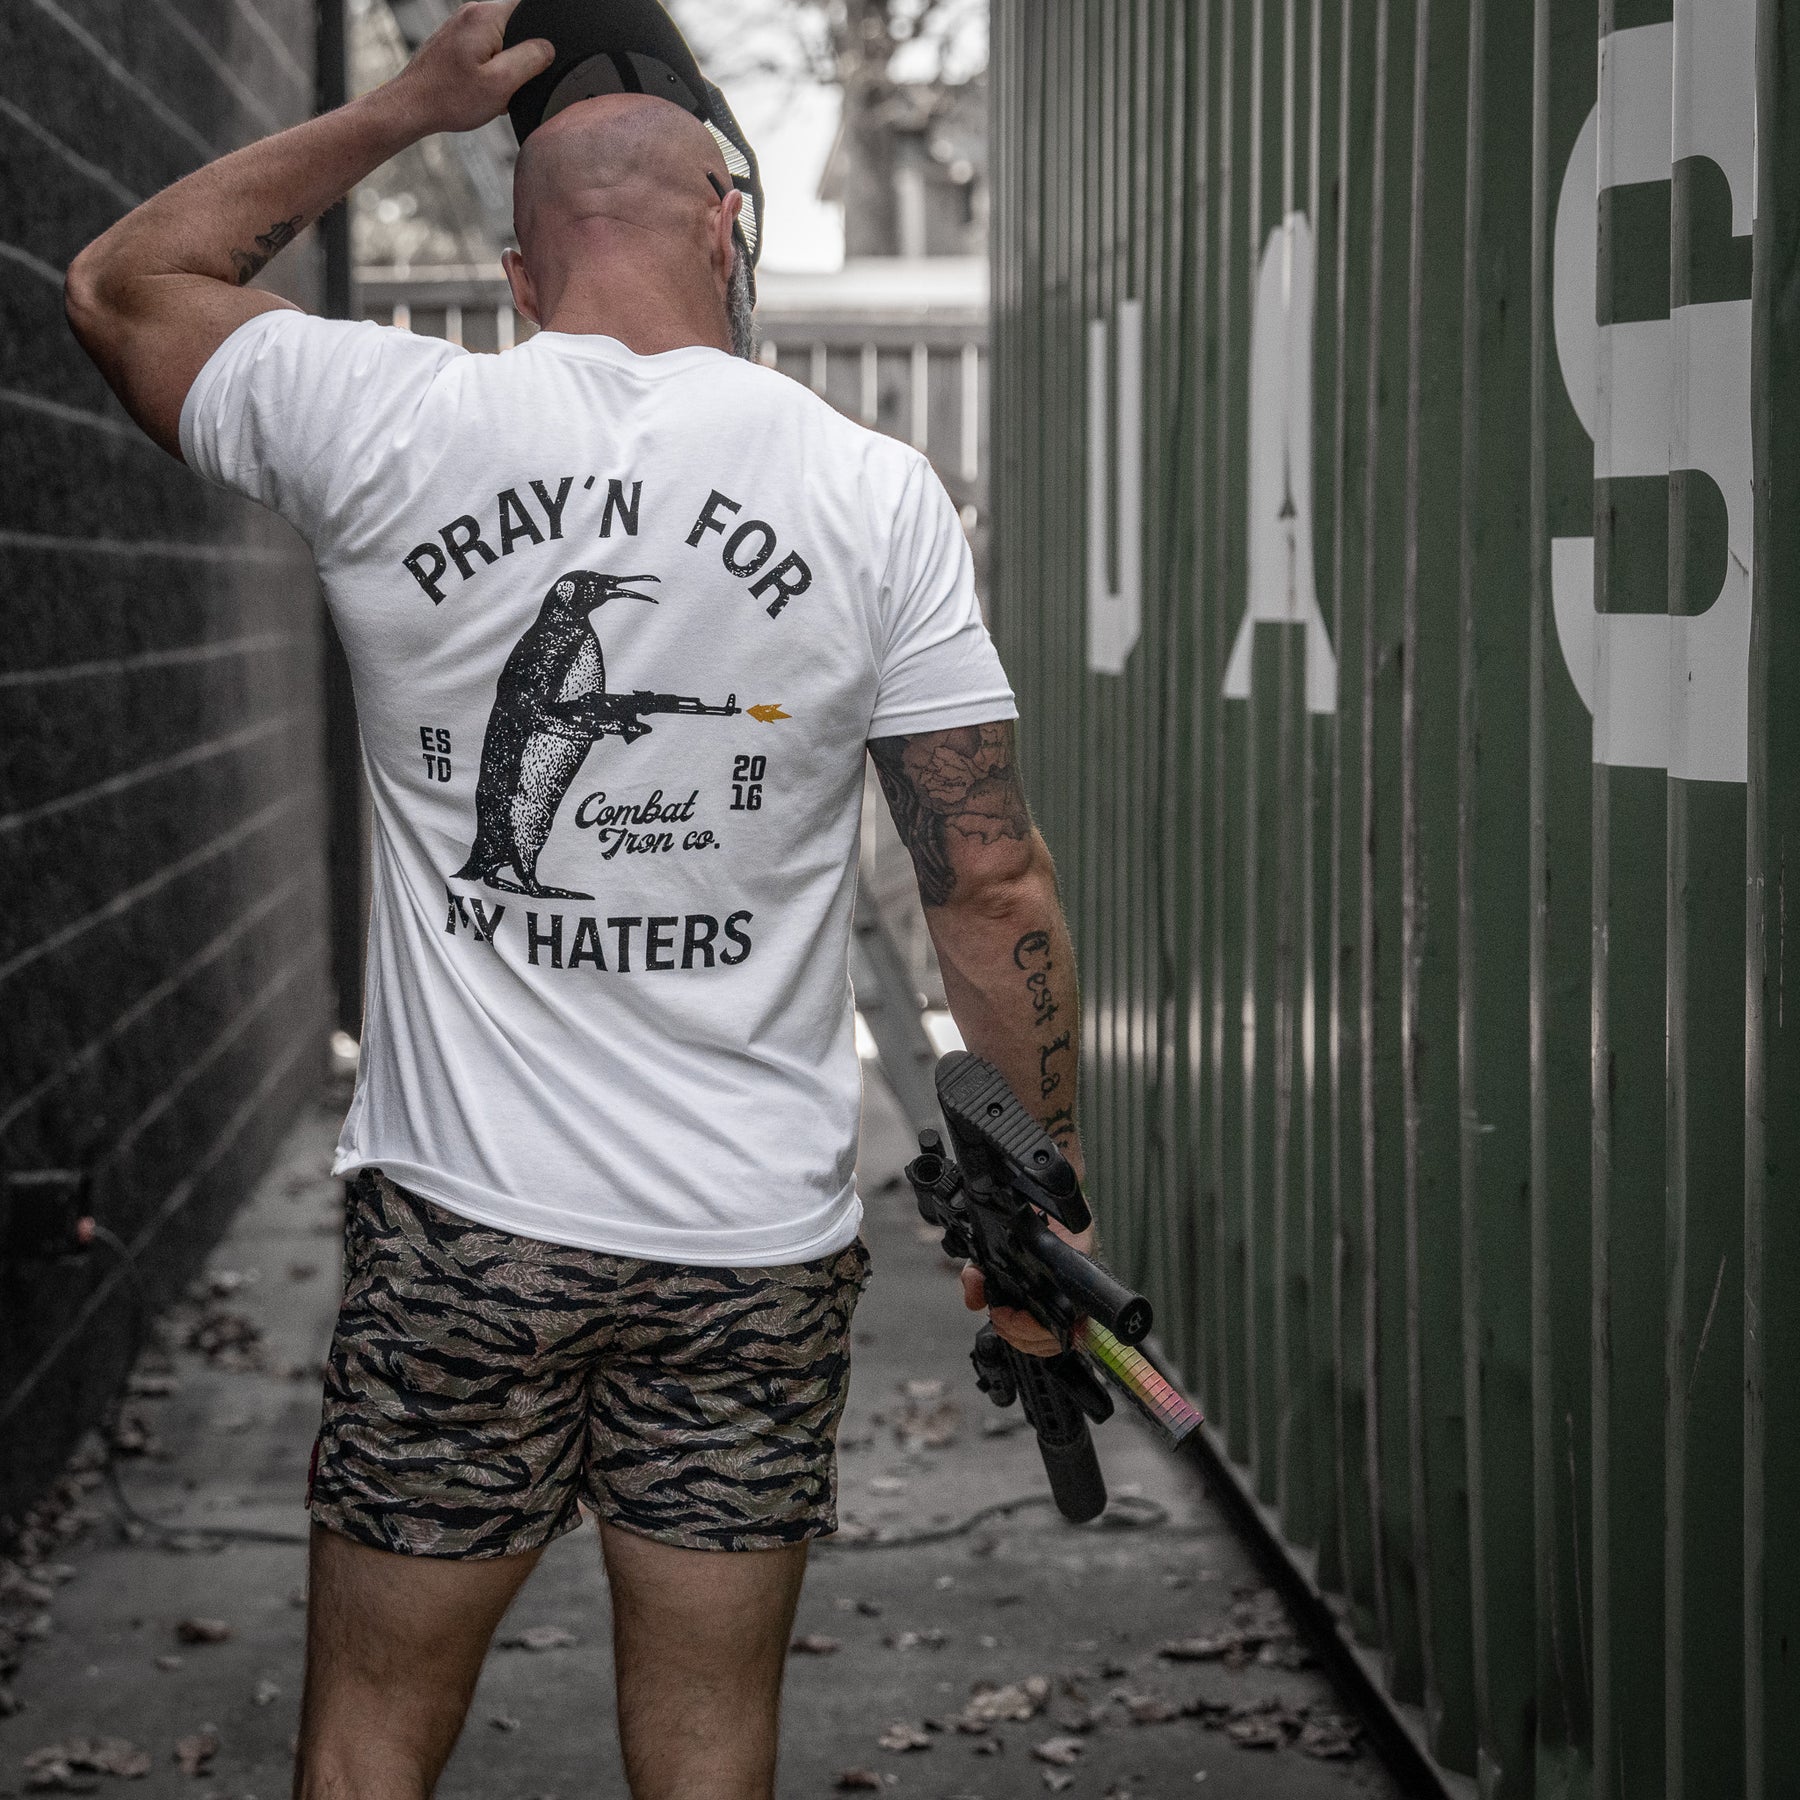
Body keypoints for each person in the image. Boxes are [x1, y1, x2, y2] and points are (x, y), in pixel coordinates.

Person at [65, 5, 1089, 1796]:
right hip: (747, 1244)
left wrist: (402, 109)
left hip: (467, 1234)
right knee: (707, 1750)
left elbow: (121, 283)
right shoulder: (872, 490)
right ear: (732, 229)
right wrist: (1034, 1227)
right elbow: (986, 870)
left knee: (369, 1742)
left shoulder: (388, 417)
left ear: (521, 276)